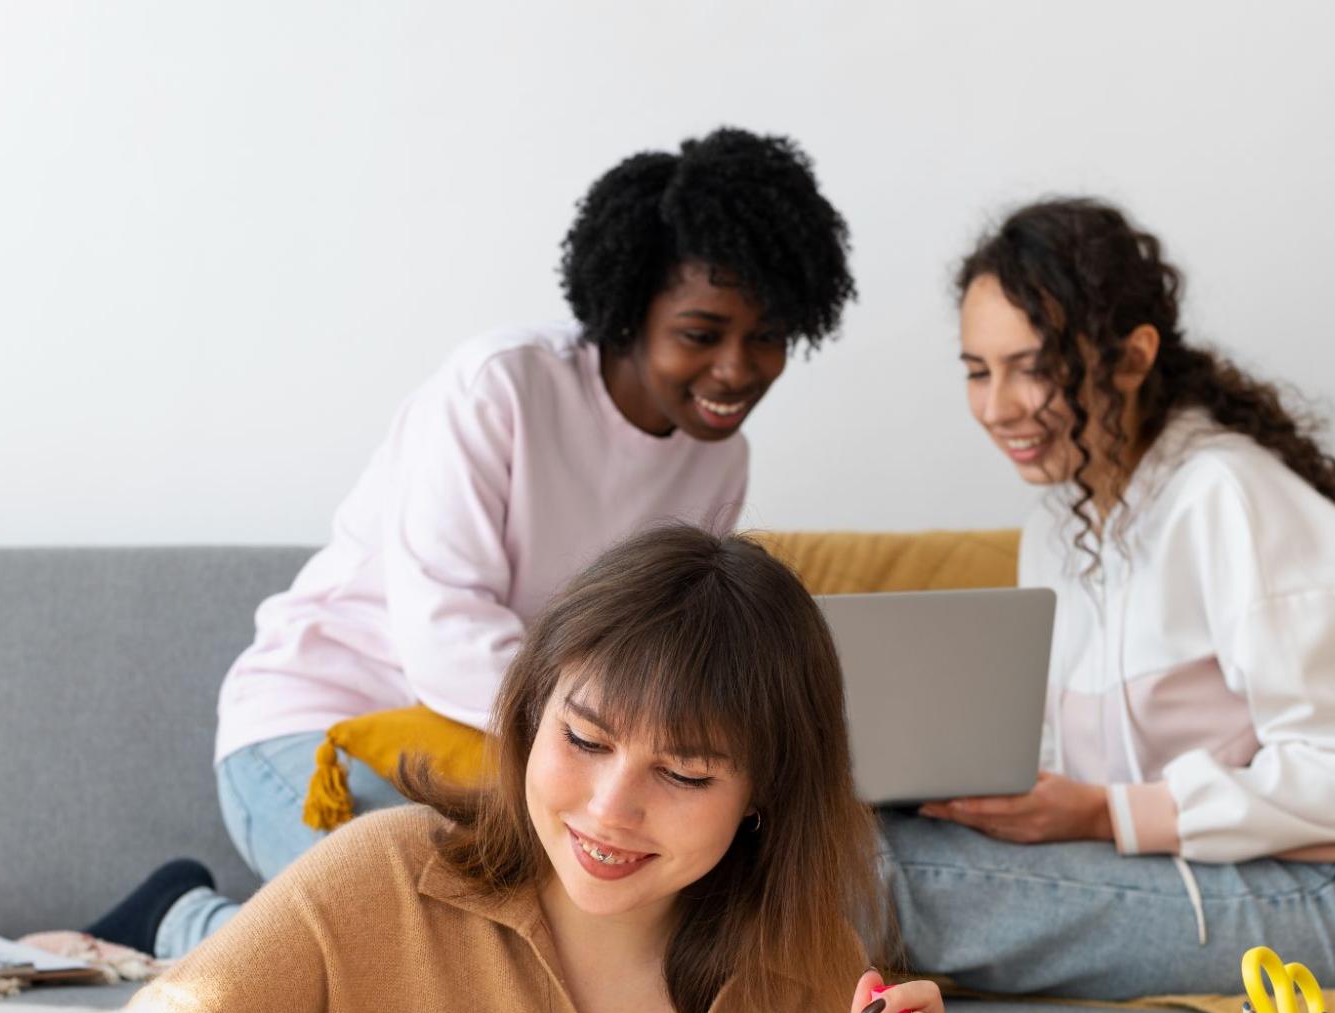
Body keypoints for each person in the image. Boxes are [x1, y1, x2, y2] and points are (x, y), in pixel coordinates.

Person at [19, 526, 976, 1013]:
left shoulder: (814, 969)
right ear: (527, 712)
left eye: (683, 774)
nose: (609, 809)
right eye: (585, 740)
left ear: (763, 793)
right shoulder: (381, 878)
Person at [89, 127, 856, 959]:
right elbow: (441, 633)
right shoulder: (501, 386)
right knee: (439, 961)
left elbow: (670, 651)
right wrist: (594, 740)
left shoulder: (720, 461)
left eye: (767, 336)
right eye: (701, 334)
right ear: (631, 311)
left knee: (549, 953)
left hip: (530, 752)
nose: (736, 369)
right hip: (321, 735)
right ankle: (179, 922)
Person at [881, 198, 1335, 1000]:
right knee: (842, 838)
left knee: (874, 873)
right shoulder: (1059, 525)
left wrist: (1102, 814)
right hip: (1197, 869)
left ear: (1130, 357)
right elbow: (1077, 763)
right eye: (978, 371)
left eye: (1034, 367)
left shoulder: (1229, 495)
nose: (996, 406)